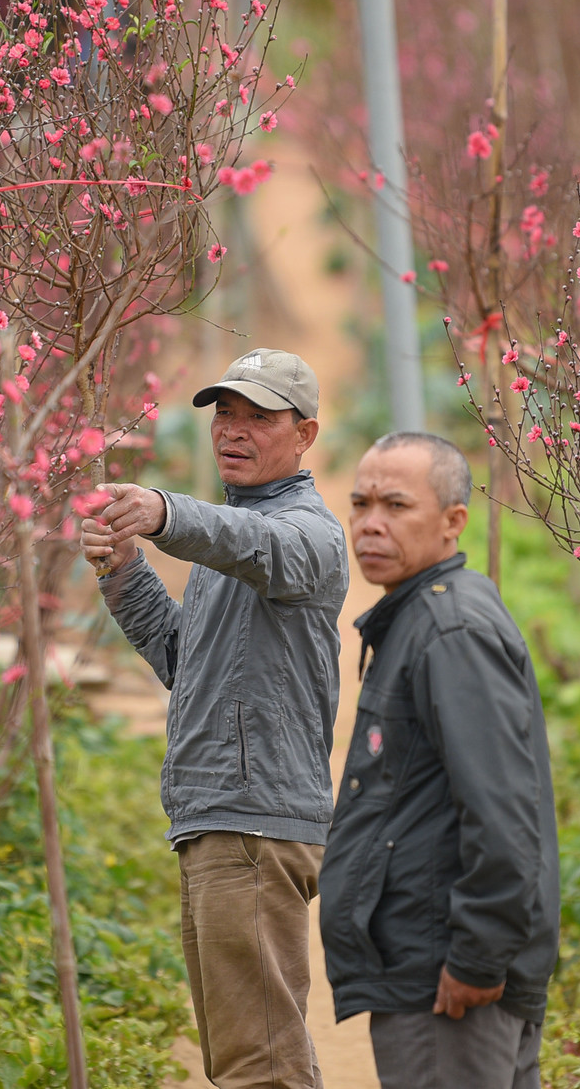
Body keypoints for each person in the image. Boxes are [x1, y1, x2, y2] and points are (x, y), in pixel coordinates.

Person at [80, 349, 348, 1089]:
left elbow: (257, 546)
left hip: (253, 825)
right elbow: (181, 657)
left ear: (306, 434)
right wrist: (124, 568)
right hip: (219, 822)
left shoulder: (304, 534)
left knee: (259, 1066)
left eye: (258, 416)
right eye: (224, 413)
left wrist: (166, 511)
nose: (233, 429)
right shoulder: (229, 534)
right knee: (249, 1056)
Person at [318, 432, 559, 1089]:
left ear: (454, 521)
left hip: (445, 978)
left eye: (396, 505)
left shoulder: (451, 633)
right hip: (431, 961)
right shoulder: (423, 615)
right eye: (360, 503)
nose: (370, 523)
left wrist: (477, 956)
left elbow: (503, 812)